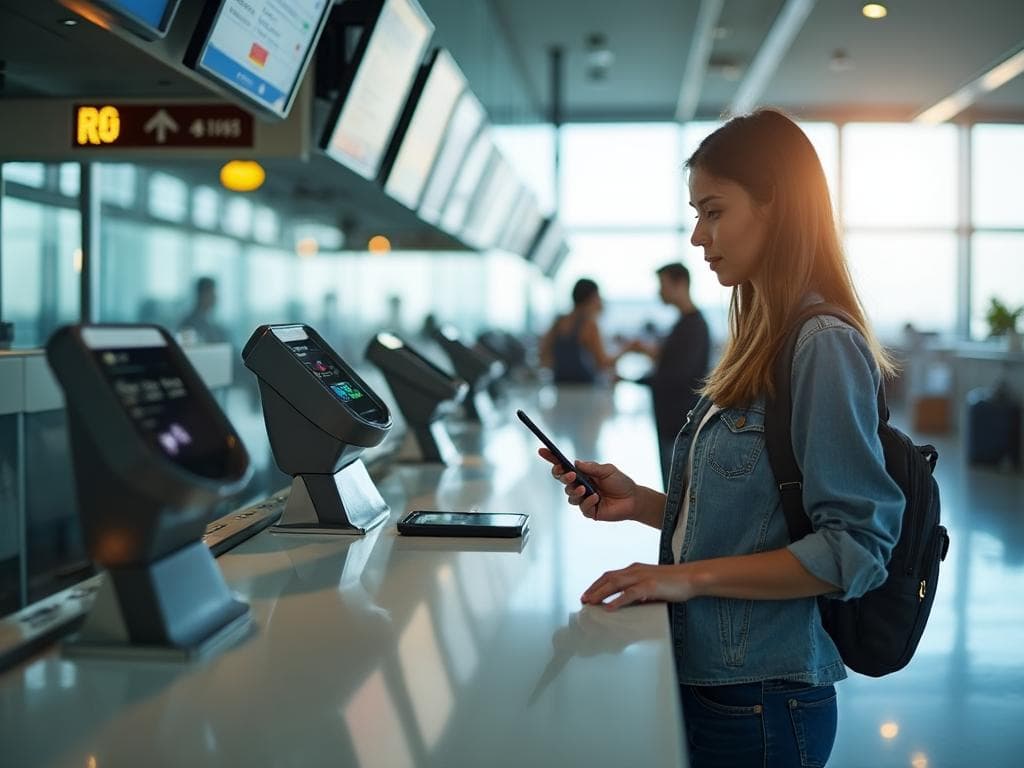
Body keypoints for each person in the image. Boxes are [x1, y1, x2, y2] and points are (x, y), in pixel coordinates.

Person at [539, 109, 903, 767]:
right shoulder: (760, 338)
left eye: (713, 211)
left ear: (776, 207)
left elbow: (856, 549)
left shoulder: (821, 345)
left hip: (764, 697)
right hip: (720, 683)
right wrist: (646, 502)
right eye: (695, 213)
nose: (699, 235)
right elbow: (759, 514)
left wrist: (683, 579)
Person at [631, 262, 710, 486]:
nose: (659, 291)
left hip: (678, 421)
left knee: (676, 489)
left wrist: (637, 380)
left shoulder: (693, 326)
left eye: (663, 285)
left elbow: (679, 375)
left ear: (680, 284)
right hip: (672, 420)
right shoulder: (684, 324)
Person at [538, 278, 619, 384]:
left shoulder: (559, 322)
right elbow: (602, 363)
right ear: (592, 297)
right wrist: (627, 349)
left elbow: (543, 355)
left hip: (560, 385)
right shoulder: (589, 325)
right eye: (598, 296)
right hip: (584, 388)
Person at [178, 276, 228, 344]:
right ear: (202, 294)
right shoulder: (188, 324)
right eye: (212, 292)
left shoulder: (216, 325)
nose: (215, 297)